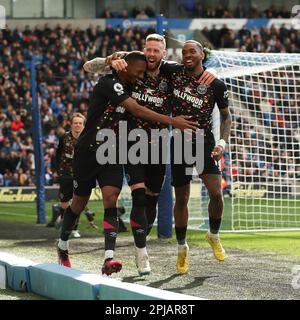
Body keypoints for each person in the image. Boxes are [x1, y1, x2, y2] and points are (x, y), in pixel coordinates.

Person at [56, 51, 198, 276]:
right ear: (126, 67)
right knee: (78, 203)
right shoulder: (108, 83)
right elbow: (90, 68)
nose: (141, 76)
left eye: (144, 73)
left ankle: (108, 259)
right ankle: (63, 245)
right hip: (88, 151)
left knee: (110, 201)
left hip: (112, 151)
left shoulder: (133, 85)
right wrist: (109, 60)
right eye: (138, 72)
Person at [83, 34, 216, 242]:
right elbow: (88, 66)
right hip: (132, 140)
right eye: (149, 49)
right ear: (144, 49)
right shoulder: (131, 62)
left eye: (156, 50)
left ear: (164, 53)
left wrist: (212, 72)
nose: (151, 54)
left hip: (159, 143)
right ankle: (140, 247)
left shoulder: (172, 71)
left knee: (152, 198)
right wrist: (109, 60)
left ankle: (142, 240)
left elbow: (195, 67)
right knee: (140, 197)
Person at [168, 40, 232, 273]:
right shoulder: (173, 73)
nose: (187, 55)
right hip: (180, 143)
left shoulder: (215, 84)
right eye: (184, 52)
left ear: (201, 54)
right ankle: (182, 247)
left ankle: (213, 234)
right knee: (182, 199)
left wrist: (222, 142)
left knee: (216, 193)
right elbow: (148, 59)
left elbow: (226, 117)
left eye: (191, 51)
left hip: (205, 143)